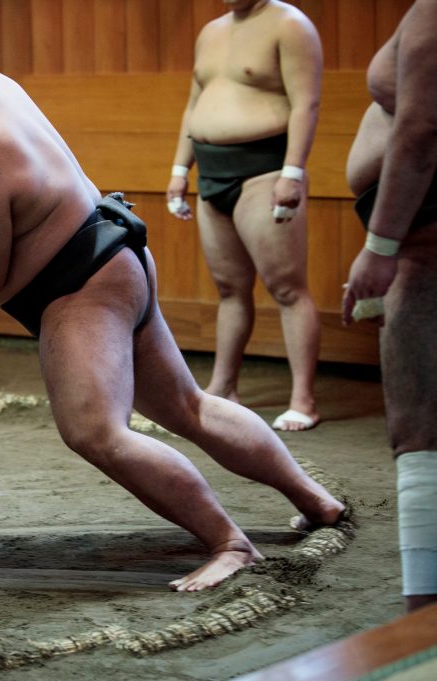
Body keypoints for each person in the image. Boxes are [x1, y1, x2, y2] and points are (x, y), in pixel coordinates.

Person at [0, 20, 345, 591]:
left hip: (81, 289)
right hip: (115, 251)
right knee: (187, 406)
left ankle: (229, 543)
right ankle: (315, 501)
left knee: (95, 433)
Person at [165, 0, 323, 431]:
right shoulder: (211, 31)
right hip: (211, 170)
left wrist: (292, 172)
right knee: (229, 287)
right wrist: (181, 169)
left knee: (287, 287)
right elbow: (194, 103)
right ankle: (223, 386)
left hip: (265, 169)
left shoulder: (289, 25)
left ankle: (303, 399)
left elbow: (305, 103)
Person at [343, 0, 437, 612]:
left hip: (420, 243)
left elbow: (423, 128)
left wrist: (380, 247)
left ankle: (422, 609)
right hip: (422, 244)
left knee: (421, 427)